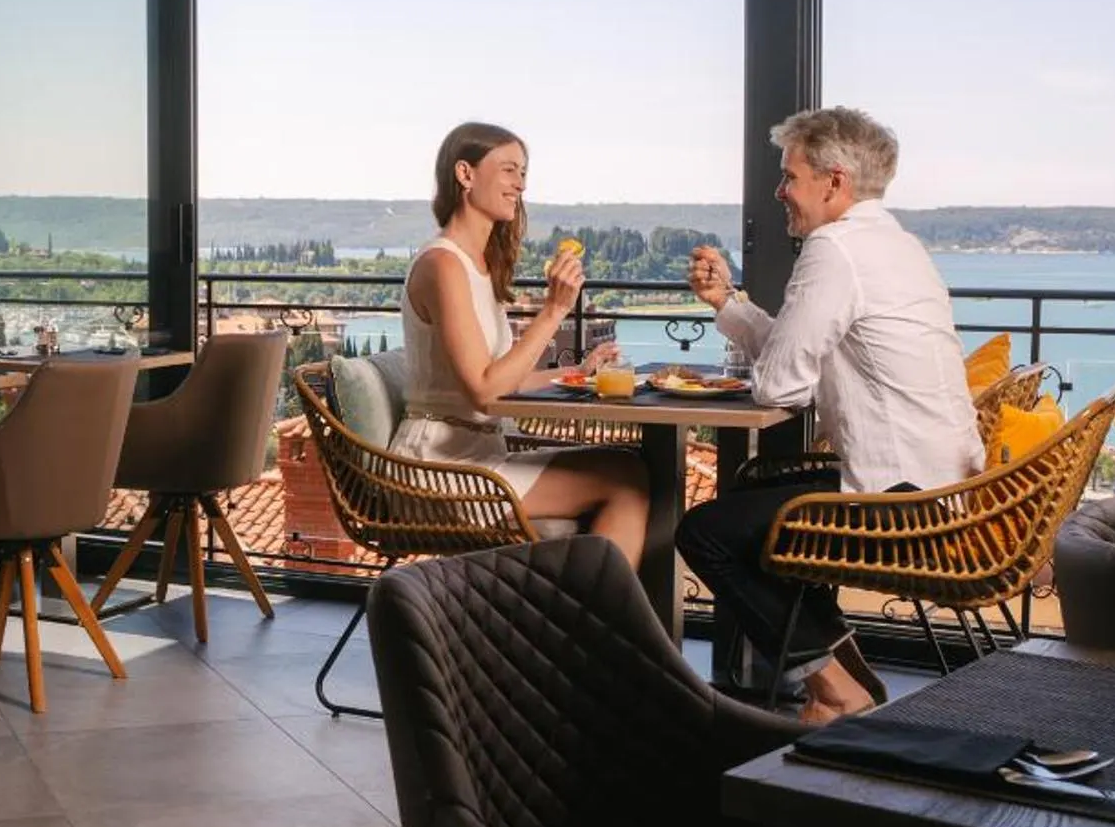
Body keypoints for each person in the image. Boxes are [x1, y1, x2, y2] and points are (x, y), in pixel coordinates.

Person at [678, 106, 981, 723]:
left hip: (899, 499)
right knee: (750, 501)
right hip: (942, 484)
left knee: (706, 531)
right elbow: (798, 359)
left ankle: (834, 687)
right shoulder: (894, 244)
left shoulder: (835, 249)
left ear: (834, 182)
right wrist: (726, 303)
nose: (779, 190)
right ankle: (844, 675)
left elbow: (780, 386)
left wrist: (767, 360)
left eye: (789, 176)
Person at [389, 122, 650, 568]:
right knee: (626, 481)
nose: (521, 183)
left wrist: (579, 373)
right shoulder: (442, 265)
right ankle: (590, 626)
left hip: (479, 454)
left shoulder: (479, 267)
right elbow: (486, 391)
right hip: (436, 469)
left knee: (629, 466)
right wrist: (553, 312)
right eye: (509, 170)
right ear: (465, 174)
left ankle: (584, 622)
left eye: (523, 172)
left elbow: (505, 379)